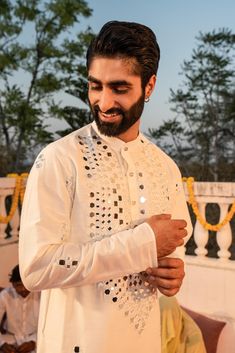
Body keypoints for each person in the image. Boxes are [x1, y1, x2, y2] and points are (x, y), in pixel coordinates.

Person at [19, 21, 192, 353]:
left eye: (119, 88)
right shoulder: (58, 160)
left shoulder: (166, 168)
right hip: (75, 342)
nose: (103, 101)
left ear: (150, 85)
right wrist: (141, 243)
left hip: (143, 343)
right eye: (95, 85)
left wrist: (174, 273)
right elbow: (35, 268)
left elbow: (172, 248)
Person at [0, 265, 40, 353]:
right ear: (13, 284)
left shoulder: (41, 295)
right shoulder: (5, 295)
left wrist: (34, 342)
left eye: (26, 285)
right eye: (18, 285)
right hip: (10, 338)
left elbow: (48, 325)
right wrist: (2, 343)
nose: (23, 289)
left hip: (36, 338)